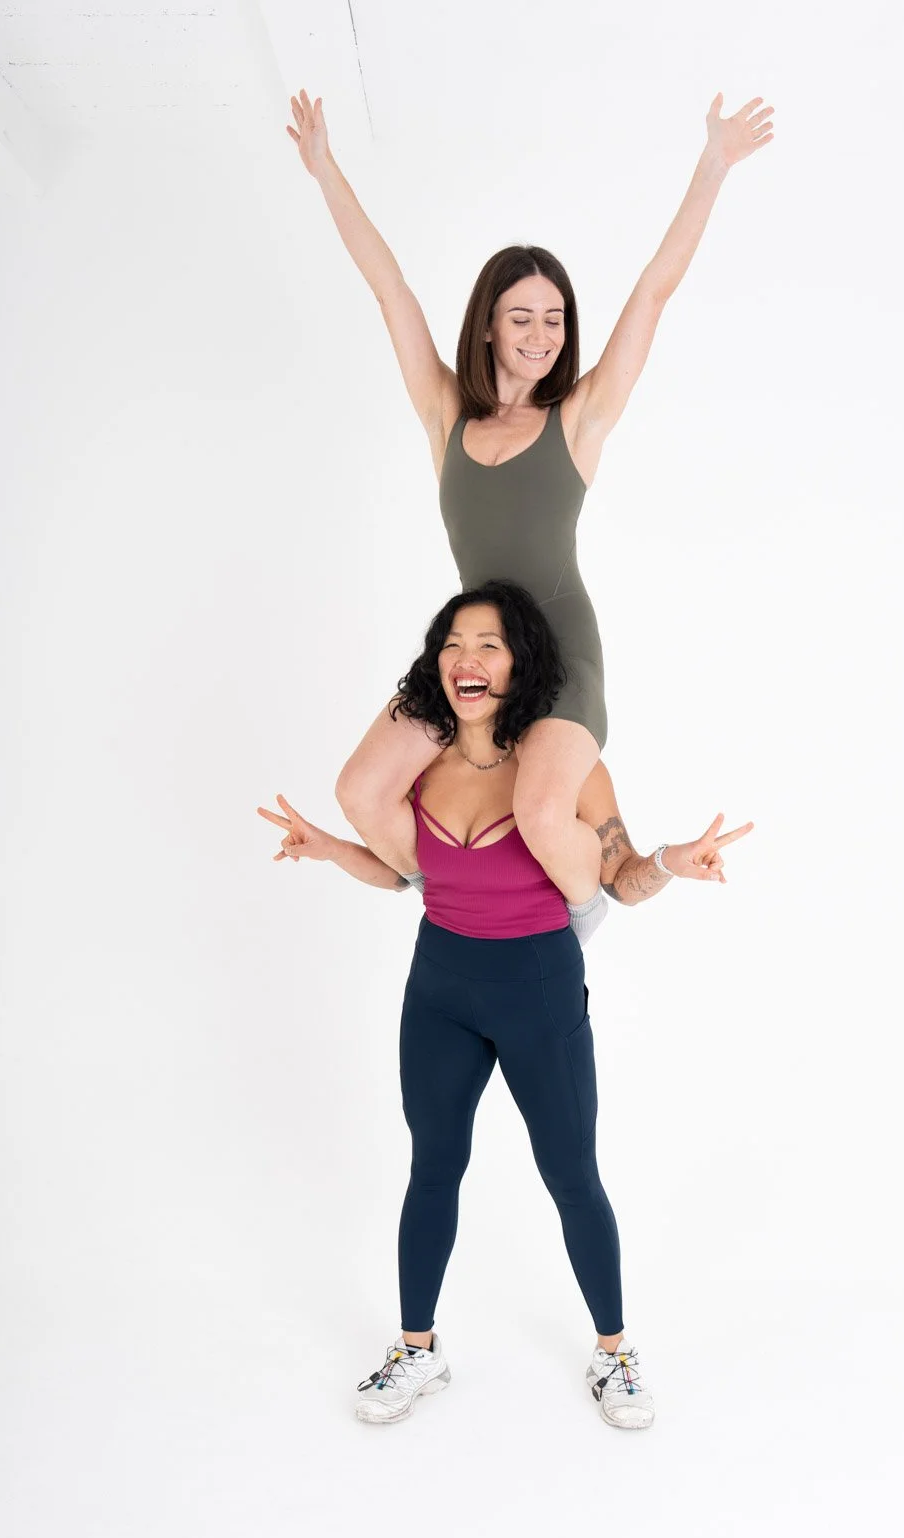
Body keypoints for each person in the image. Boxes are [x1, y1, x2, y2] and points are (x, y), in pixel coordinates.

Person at [258, 581, 753, 1428]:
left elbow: (620, 879)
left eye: (488, 644)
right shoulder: (421, 765)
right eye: (453, 643)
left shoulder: (563, 768)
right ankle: (417, 1349)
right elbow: (411, 875)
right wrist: (333, 848)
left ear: (519, 662)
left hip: (538, 992)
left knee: (570, 1176)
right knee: (432, 1167)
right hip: (439, 989)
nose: (467, 659)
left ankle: (614, 1353)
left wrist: (673, 861)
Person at [285, 86, 773, 938]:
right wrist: (325, 170)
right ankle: (447, 888)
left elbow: (651, 295)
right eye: (521, 318)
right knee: (360, 789)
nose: (541, 335)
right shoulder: (445, 416)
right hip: (477, 651)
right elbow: (390, 290)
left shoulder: (575, 422)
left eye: (553, 320)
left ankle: (578, 914)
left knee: (545, 814)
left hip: (560, 653)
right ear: (487, 326)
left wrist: (713, 164)